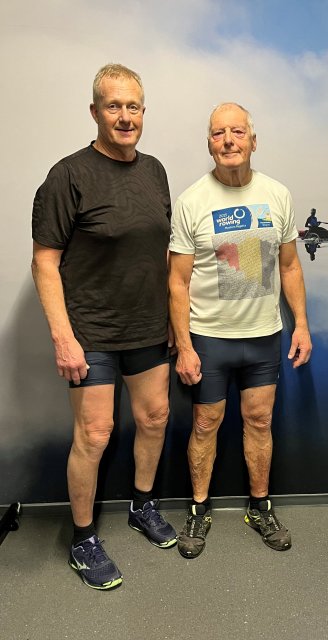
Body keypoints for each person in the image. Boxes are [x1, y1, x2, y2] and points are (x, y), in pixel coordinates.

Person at [31, 64, 176, 590]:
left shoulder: (155, 171)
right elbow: (44, 261)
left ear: (143, 112)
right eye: (114, 106)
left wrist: (173, 324)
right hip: (90, 332)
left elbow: (160, 252)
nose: (125, 116)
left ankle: (142, 506)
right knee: (94, 434)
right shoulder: (68, 175)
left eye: (133, 106)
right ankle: (83, 539)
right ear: (95, 112)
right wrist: (63, 338)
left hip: (148, 328)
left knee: (155, 419)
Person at [168, 102, 312, 559]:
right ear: (209, 143)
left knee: (260, 421)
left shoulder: (277, 195)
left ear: (253, 140)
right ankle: (198, 509)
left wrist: (301, 326)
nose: (228, 140)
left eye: (237, 132)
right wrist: (184, 346)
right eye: (218, 133)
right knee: (205, 424)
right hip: (209, 338)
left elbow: (290, 267)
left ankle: (259, 508)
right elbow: (177, 281)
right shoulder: (193, 201)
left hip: (264, 336)